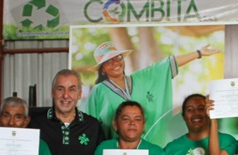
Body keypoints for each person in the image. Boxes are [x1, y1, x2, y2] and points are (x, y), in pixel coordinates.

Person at [86, 40, 220, 144]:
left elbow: (166, 65)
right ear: (102, 69)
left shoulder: (141, 78)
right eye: (109, 61)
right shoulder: (98, 91)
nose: (115, 63)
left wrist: (198, 53)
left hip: (149, 146)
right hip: (116, 151)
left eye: (118, 57)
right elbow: (90, 127)